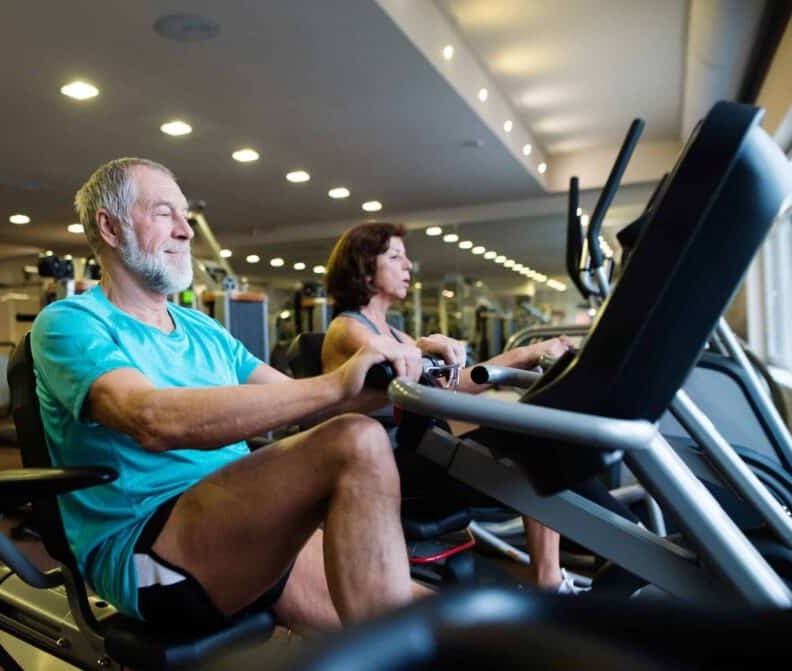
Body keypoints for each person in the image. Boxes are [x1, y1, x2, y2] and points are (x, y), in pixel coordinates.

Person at [30, 158, 432, 635]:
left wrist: (414, 370)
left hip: (238, 516)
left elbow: (306, 401)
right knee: (356, 441)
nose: (185, 231)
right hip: (150, 548)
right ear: (110, 227)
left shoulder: (202, 327)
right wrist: (335, 382)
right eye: (164, 214)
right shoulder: (70, 321)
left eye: (185, 216)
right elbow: (151, 419)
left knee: (437, 623)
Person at [320, 221, 580, 593]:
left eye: (406, 258)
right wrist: (423, 349)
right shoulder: (347, 329)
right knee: (534, 452)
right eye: (395, 257)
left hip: (421, 446)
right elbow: (390, 364)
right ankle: (549, 582)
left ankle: (578, 572)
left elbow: (451, 386)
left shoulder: (396, 332)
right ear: (363, 266)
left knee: (542, 439)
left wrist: (527, 355)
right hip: (387, 460)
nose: (408, 266)